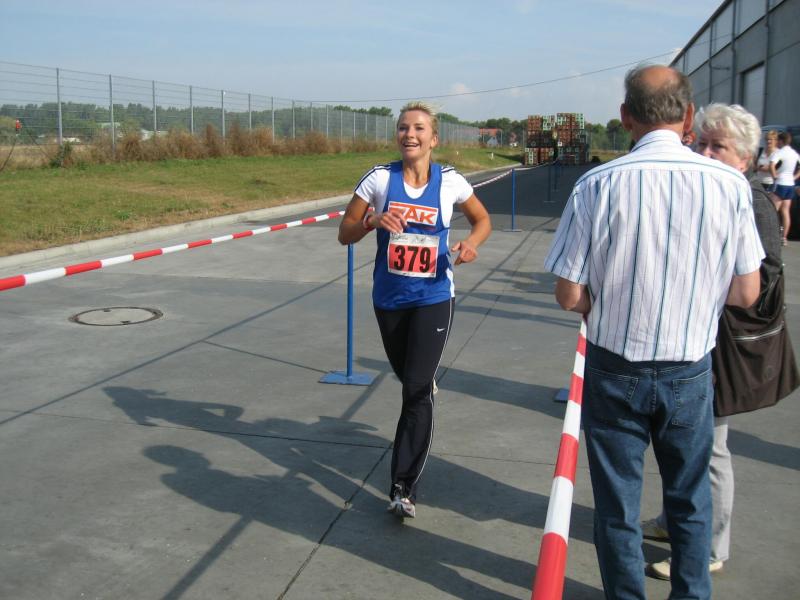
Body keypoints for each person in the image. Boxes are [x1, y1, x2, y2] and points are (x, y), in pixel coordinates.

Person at [544, 65, 764, 600]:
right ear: (688, 116)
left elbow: (569, 293)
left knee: (617, 505)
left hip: (614, 366)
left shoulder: (597, 184)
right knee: (690, 498)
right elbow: (746, 292)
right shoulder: (730, 185)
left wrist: (606, 300)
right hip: (690, 370)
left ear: (625, 117)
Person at [641, 103, 784, 581]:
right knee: (678, 442)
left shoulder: (751, 201)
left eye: (717, 146)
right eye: (700, 142)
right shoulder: (708, 189)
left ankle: (708, 548)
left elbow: (762, 280)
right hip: (691, 336)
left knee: (709, 449)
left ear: (744, 157)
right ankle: (671, 522)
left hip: (722, 345)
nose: (704, 152)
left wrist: (699, 286)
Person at [337, 101, 491, 519]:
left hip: (434, 297)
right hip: (389, 300)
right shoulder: (378, 179)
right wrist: (371, 222)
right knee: (409, 378)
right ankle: (422, 380)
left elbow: (482, 220)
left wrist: (471, 243)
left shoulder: (451, 181)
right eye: (404, 128)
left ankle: (403, 487)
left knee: (416, 391)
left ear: (433, 138)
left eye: (419, 128)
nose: (410, 134)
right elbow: (344, 233)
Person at [770, 131, 800, 244]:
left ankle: (771, 235)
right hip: (790, 184)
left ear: (781, 141)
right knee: (785, 211)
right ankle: (784, 238)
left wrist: (774, 176)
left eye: (778, 140)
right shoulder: (794, 153)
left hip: (781, 183)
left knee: (773, 210)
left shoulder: (779, 152)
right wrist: (795, 177)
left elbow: (772, 164)